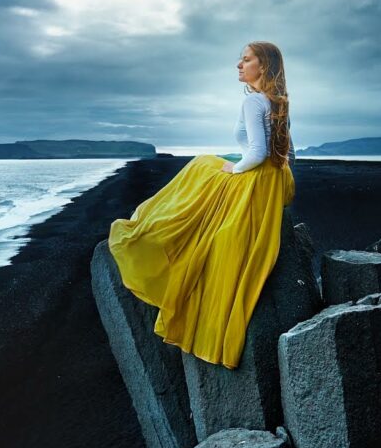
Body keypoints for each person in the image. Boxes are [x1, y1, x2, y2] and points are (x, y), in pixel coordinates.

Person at [107, 41, 296, 370]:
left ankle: (149, 226)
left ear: (262, 67)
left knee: (201, 166)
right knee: (206, 164)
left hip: (256, 179)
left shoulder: (253, 103)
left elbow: (257, 154)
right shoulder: (278, 102)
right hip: (274, 182)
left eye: (246, 59)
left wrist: (234, 169)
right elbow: (284, 155)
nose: (238, 65)